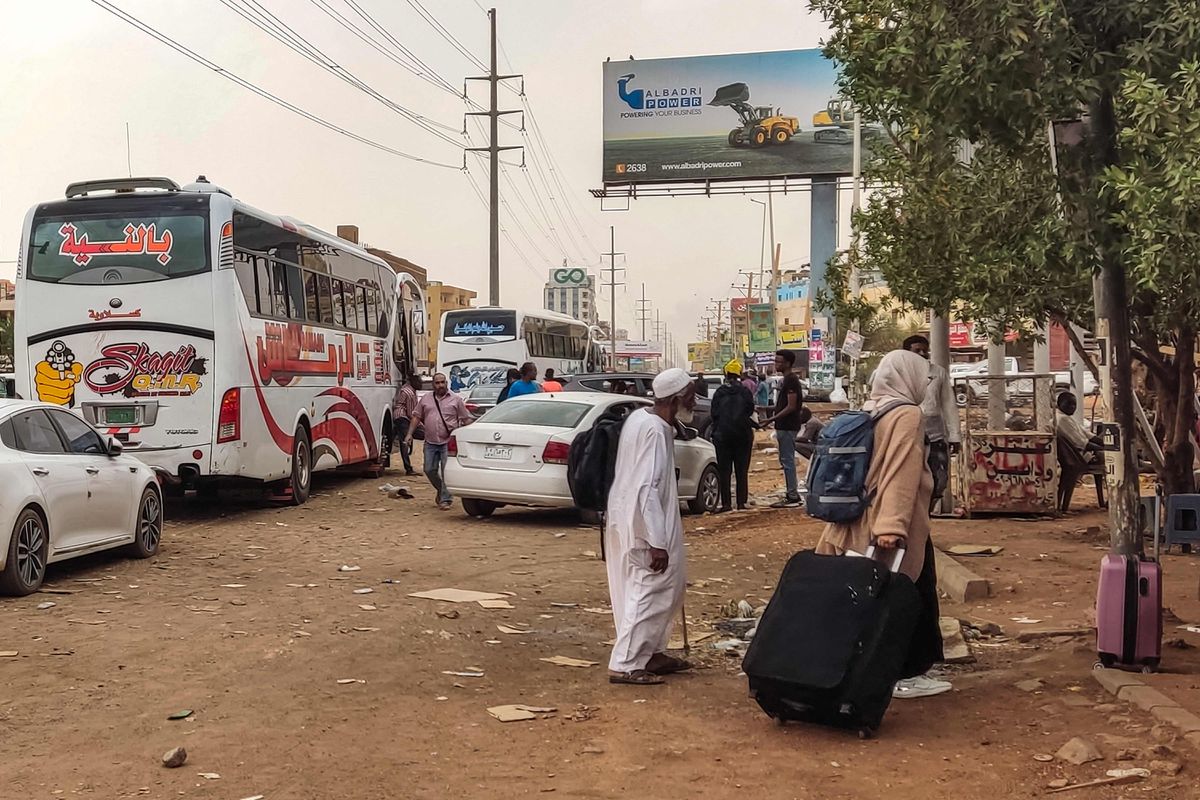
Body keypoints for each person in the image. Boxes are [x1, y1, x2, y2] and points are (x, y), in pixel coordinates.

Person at [815, 349, 947, 700]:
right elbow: (901, 471)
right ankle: (905, 673)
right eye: (924, 377)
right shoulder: (907, 414)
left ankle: (859, 667)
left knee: (872, 596)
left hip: (857, 520)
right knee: (905, 596)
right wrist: (893, 527)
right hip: (891, 525)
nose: (926, 384)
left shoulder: (872, 409)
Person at [605, 367, 697, 685]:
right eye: (690, 396)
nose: (694, 402)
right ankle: (626, 663)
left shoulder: (645, 420)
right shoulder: (654, 430)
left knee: (666, 590)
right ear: (675, 399)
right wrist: (656, 541)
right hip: (645, 525)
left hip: (631, 517)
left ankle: (651, 653)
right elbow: (647, 488)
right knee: (650, 591)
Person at [902, 335, 961, 513]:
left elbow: (949, 405)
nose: (922, 354)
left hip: (935, 436)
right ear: (906, 352)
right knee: (908, 482)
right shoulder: (899, 372)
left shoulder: (938, 373)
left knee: (939, 481)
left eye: (924, 350)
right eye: (917, 350)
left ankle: (926, 515)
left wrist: (955, 435)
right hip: (906, 436)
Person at [405, 372, 472, 510]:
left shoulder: (456, 400)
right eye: (437, 383)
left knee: (446, 471)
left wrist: (472, 433)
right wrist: (409, 434)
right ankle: (442, 490)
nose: (440, 385)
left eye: (442, 382)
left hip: (448, 442)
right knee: (429, 469)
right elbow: (416, 416)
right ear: (433, 384)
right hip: (430, 442)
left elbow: (465, 419)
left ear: (446, 383)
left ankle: (446, 499)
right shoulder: (426, 399)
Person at [710, 359, 757, 512]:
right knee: (741, 470)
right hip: (743, 435)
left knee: (724, 471)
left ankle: (726, 504)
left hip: (722, 436)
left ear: (726, 374)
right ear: (739, 374)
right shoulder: (745, 391)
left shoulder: (719, 392)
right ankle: (741, 502)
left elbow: (714, 413)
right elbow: (750, 409)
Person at [761, 349, 805, 508]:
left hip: (787, 426)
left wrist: (771, 419)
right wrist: (765, 409)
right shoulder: (786, 380)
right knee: (785, 459)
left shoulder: (791, 380)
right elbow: (783, 405)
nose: (776, 364)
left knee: (787, 460)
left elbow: (791, 406)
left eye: (779, 361)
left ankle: (792, 496)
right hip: (783, 425)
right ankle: (791, 493)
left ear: (787, 363)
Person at [1057, 392, 1103, 462]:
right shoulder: (1062, 419)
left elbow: (1087, 434)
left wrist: (1104, 443)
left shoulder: (1066, 417)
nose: (1072, 407)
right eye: (1068, 403)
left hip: (1083, 454)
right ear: (1059, 404)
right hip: (1081, 458)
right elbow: (1083, 444)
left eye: (1074, 404)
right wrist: (1104, 448)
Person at [392, 373, 421, 476]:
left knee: (402, 441)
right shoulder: (410, 393)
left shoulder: (406, 389)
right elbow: (411, 413)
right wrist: (419, 424)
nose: (421, 384)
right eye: (419, 382)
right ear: (413, 382)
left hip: (398, 417)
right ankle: (408, 468)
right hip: (402, 418)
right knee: (405, 442)